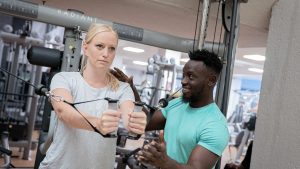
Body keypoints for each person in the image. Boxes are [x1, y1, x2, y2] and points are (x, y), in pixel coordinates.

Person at [39, 24, 147, 169]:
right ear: (85, 47)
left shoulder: (123, 88)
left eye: (112, 48)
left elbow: (129, 115)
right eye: (100, 46)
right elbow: (63, 111)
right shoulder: (64, 79)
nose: (106, 53)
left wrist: (135, 124)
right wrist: (97, 124)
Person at [137, 49, 230, 169]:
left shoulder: (215, 125)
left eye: (190, 76)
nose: (183, 81)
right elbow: (145, 123)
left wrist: (165, 162)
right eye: (184, 75)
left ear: (211, 80)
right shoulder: (177, 104)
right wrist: (131, 94)